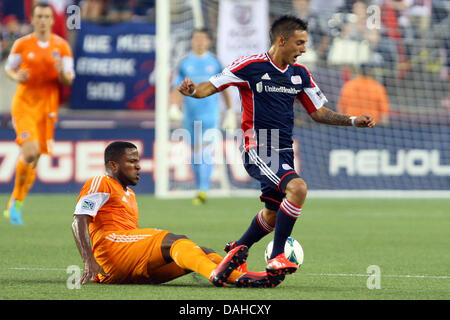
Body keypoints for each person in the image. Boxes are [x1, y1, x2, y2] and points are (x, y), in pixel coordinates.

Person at [178, 15, 376, 278]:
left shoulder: (300, 73)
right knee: (298, 188)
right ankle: (277, 256)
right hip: (258, 145)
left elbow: (317, 112)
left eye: (305, 43)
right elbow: (213, 85)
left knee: (272, 215)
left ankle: (237, 250)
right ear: (282, 40)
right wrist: (192, 91)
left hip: (283, 149)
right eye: (300, 42)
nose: (304, 49)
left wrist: (352, 120)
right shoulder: (251, 65)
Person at [71, 141, 284, 288]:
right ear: (113, 165)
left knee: (203, 253)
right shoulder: (101, 182)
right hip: (111, 252)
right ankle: (218, 274)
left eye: (138, 160)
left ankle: (242, 278)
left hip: (128, 265)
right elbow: (79, 219)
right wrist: (88, 260)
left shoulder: (131, 194)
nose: (138, 166)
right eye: (132, 161)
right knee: (176, 241)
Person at [3, 2, 74, 225]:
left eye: (46, 16)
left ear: (53, 20)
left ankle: (17, 201)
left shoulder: (61, 47)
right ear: (32, 19)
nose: (43, 20)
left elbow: (69, 79)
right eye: (39, 16)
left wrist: (62, 72)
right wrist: (17, 77)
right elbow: (9, 68)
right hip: (24, 104)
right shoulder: (22, 44)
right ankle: (15, 200)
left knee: (34, 159)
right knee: (31, 151)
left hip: (48, 108)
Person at [169, 28, 234, 205]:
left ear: (208, 42)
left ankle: (203, 190)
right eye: (196, 38)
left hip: (210, 114)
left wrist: (229, 111)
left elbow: (224, 87)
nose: (199, 42)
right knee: (194, 153)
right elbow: (176, 87)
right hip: (190, 115)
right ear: (191, 41)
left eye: (202, 38)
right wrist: (174, 106)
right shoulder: (184, 64)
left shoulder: (214, 63)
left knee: (205, 151)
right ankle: (200, 187)